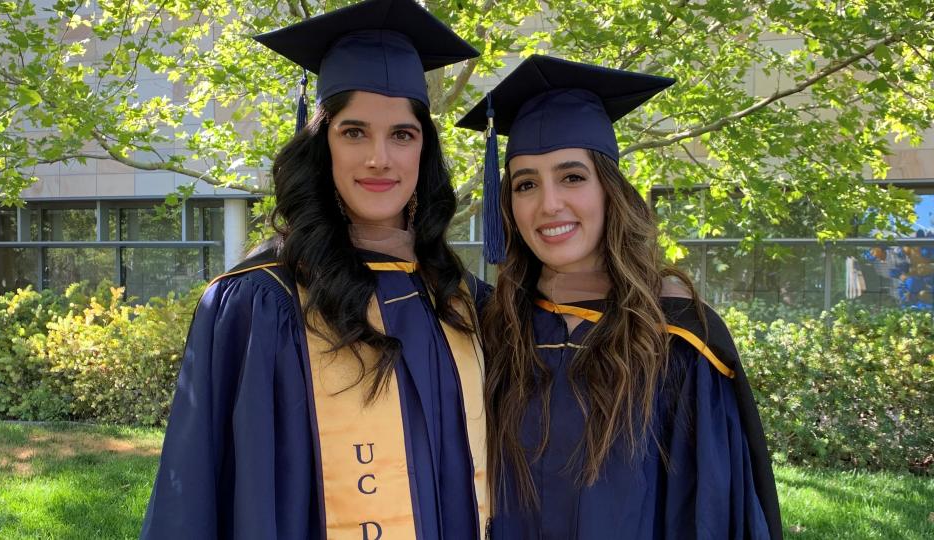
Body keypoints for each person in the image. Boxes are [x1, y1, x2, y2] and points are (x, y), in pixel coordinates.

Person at [140, 1, 490, 538]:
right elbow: (197, 492)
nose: (380, 158)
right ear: (322, 144)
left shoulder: (459, 298)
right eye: (354, 132)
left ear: (424, 150)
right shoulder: (259, 302)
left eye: (402, 134)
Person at [457, 55, 782, 539]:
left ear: (610, 191)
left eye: (572, 177)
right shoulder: (495, 329)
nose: (549, 204)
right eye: (526, 184)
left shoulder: (675, 336)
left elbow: (709, 513)